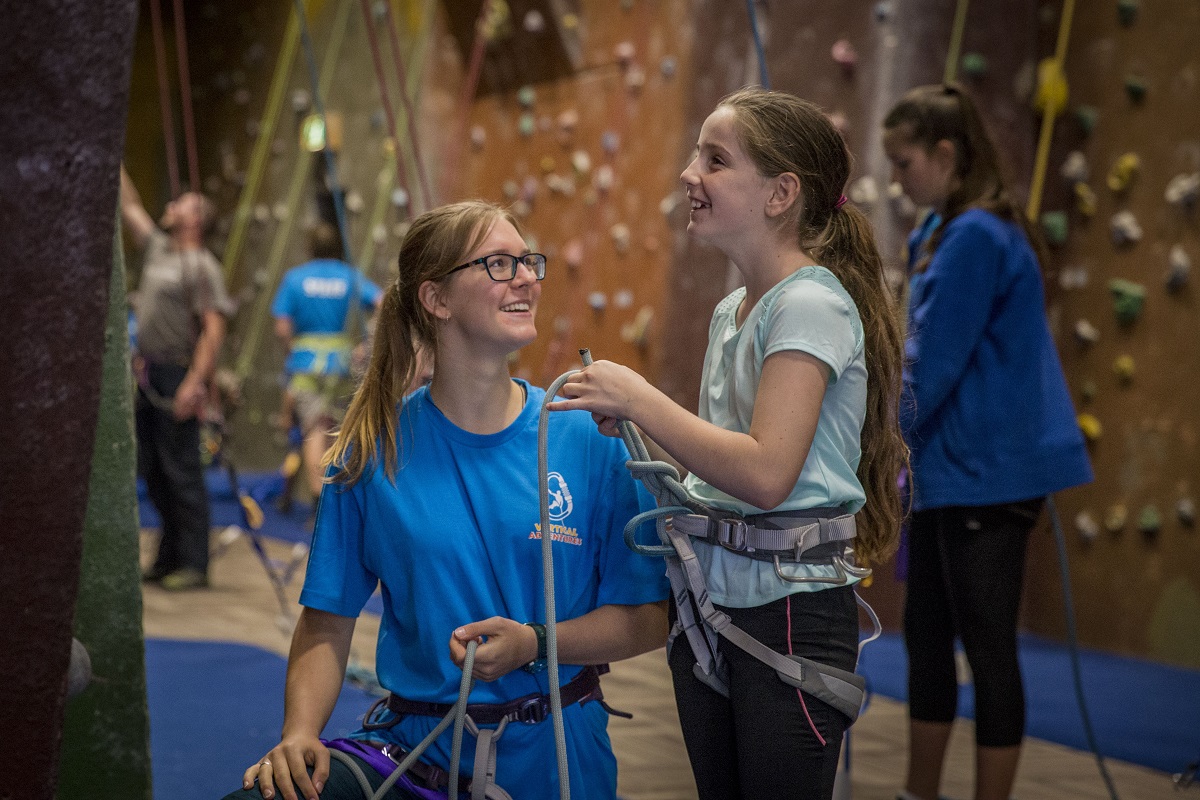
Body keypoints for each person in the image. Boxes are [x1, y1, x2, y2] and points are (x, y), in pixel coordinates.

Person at [224, 200, 670, 800]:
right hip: (414, 758)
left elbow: (648, 618)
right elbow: (327, 620)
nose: (526, 278)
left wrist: (536, 644)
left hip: (557, 763)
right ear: (436, 299)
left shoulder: (588, 435)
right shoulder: (372, 451)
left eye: (528, 261)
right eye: (498, 264)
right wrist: (299, 732)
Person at [548, 87, 908, 799]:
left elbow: (768, 473)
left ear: (780, 194)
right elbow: (722, 472)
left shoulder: (810, 303)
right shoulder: (734, 312)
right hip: (713, 601)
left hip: (790, 611)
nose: (690, 174)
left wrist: (641, 399)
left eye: (715, 161)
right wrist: (643, 429)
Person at [881, 83, 1093, 800]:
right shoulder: (938, 232)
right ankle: (919, 790)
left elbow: (932, 363)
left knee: (988, 645)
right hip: (947, 471)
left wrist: (878, 439)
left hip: (990, 474)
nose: (897, 180)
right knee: (926, 637)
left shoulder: (977, 235)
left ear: (946, 155)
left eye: (905, 162)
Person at [120, 166, 233, 591]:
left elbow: (213, 329)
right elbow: (129, 205)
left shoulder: (202, 267)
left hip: (178, 372)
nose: (172, 204)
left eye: (183, 202)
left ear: (197, 220)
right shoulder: (158, 249)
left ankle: (194, 563)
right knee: (153, 469)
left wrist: (195, 382)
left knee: (181, 469)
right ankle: (168, 557)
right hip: (149, 371)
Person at [271, 221, 384, 505]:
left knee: (313, 431)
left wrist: (292, 350)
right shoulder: (348, 276)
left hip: (305, 364)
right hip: (340, 364)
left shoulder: (295, 278)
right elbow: (383, 303)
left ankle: (317, 501)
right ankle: (333, 497)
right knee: (334, 430)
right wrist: (366, 345)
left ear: (310, 247)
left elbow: (282, 327)